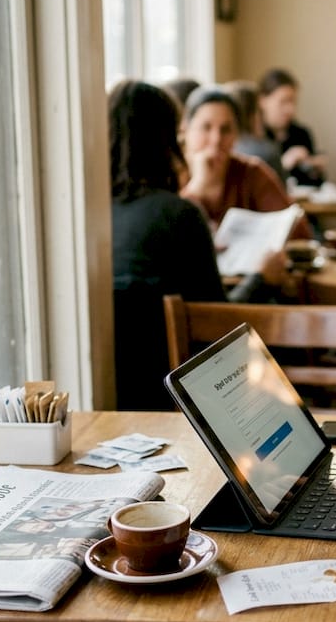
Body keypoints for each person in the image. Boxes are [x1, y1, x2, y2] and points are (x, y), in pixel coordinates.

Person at [107, 81, 287, 410]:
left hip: (107, 392)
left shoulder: (86, 219)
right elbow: (217, 328)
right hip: (177, 397)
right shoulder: (179, 215)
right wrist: (261, 279)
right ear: (169, 139)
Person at [180, 86, 312, 241]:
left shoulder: (252, 173)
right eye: (206, 127)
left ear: (236, 135)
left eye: (226, 129)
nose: (216, 140)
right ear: (185, 130)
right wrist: (197, 188)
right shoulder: (168, 175)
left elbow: (300, 234)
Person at [258, 68, 327, 186]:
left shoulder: (301, 134)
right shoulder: (256, 136)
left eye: (293, 102)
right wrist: (283, 165)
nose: (290, 109)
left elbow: (317, 184)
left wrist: (314, 168)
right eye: (283, 101)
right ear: (263, 100)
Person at [224, 79, 286, 181]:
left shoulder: (221, 151)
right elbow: (282, 193)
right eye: (259, 111)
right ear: (252, 115)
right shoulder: (267, 151)